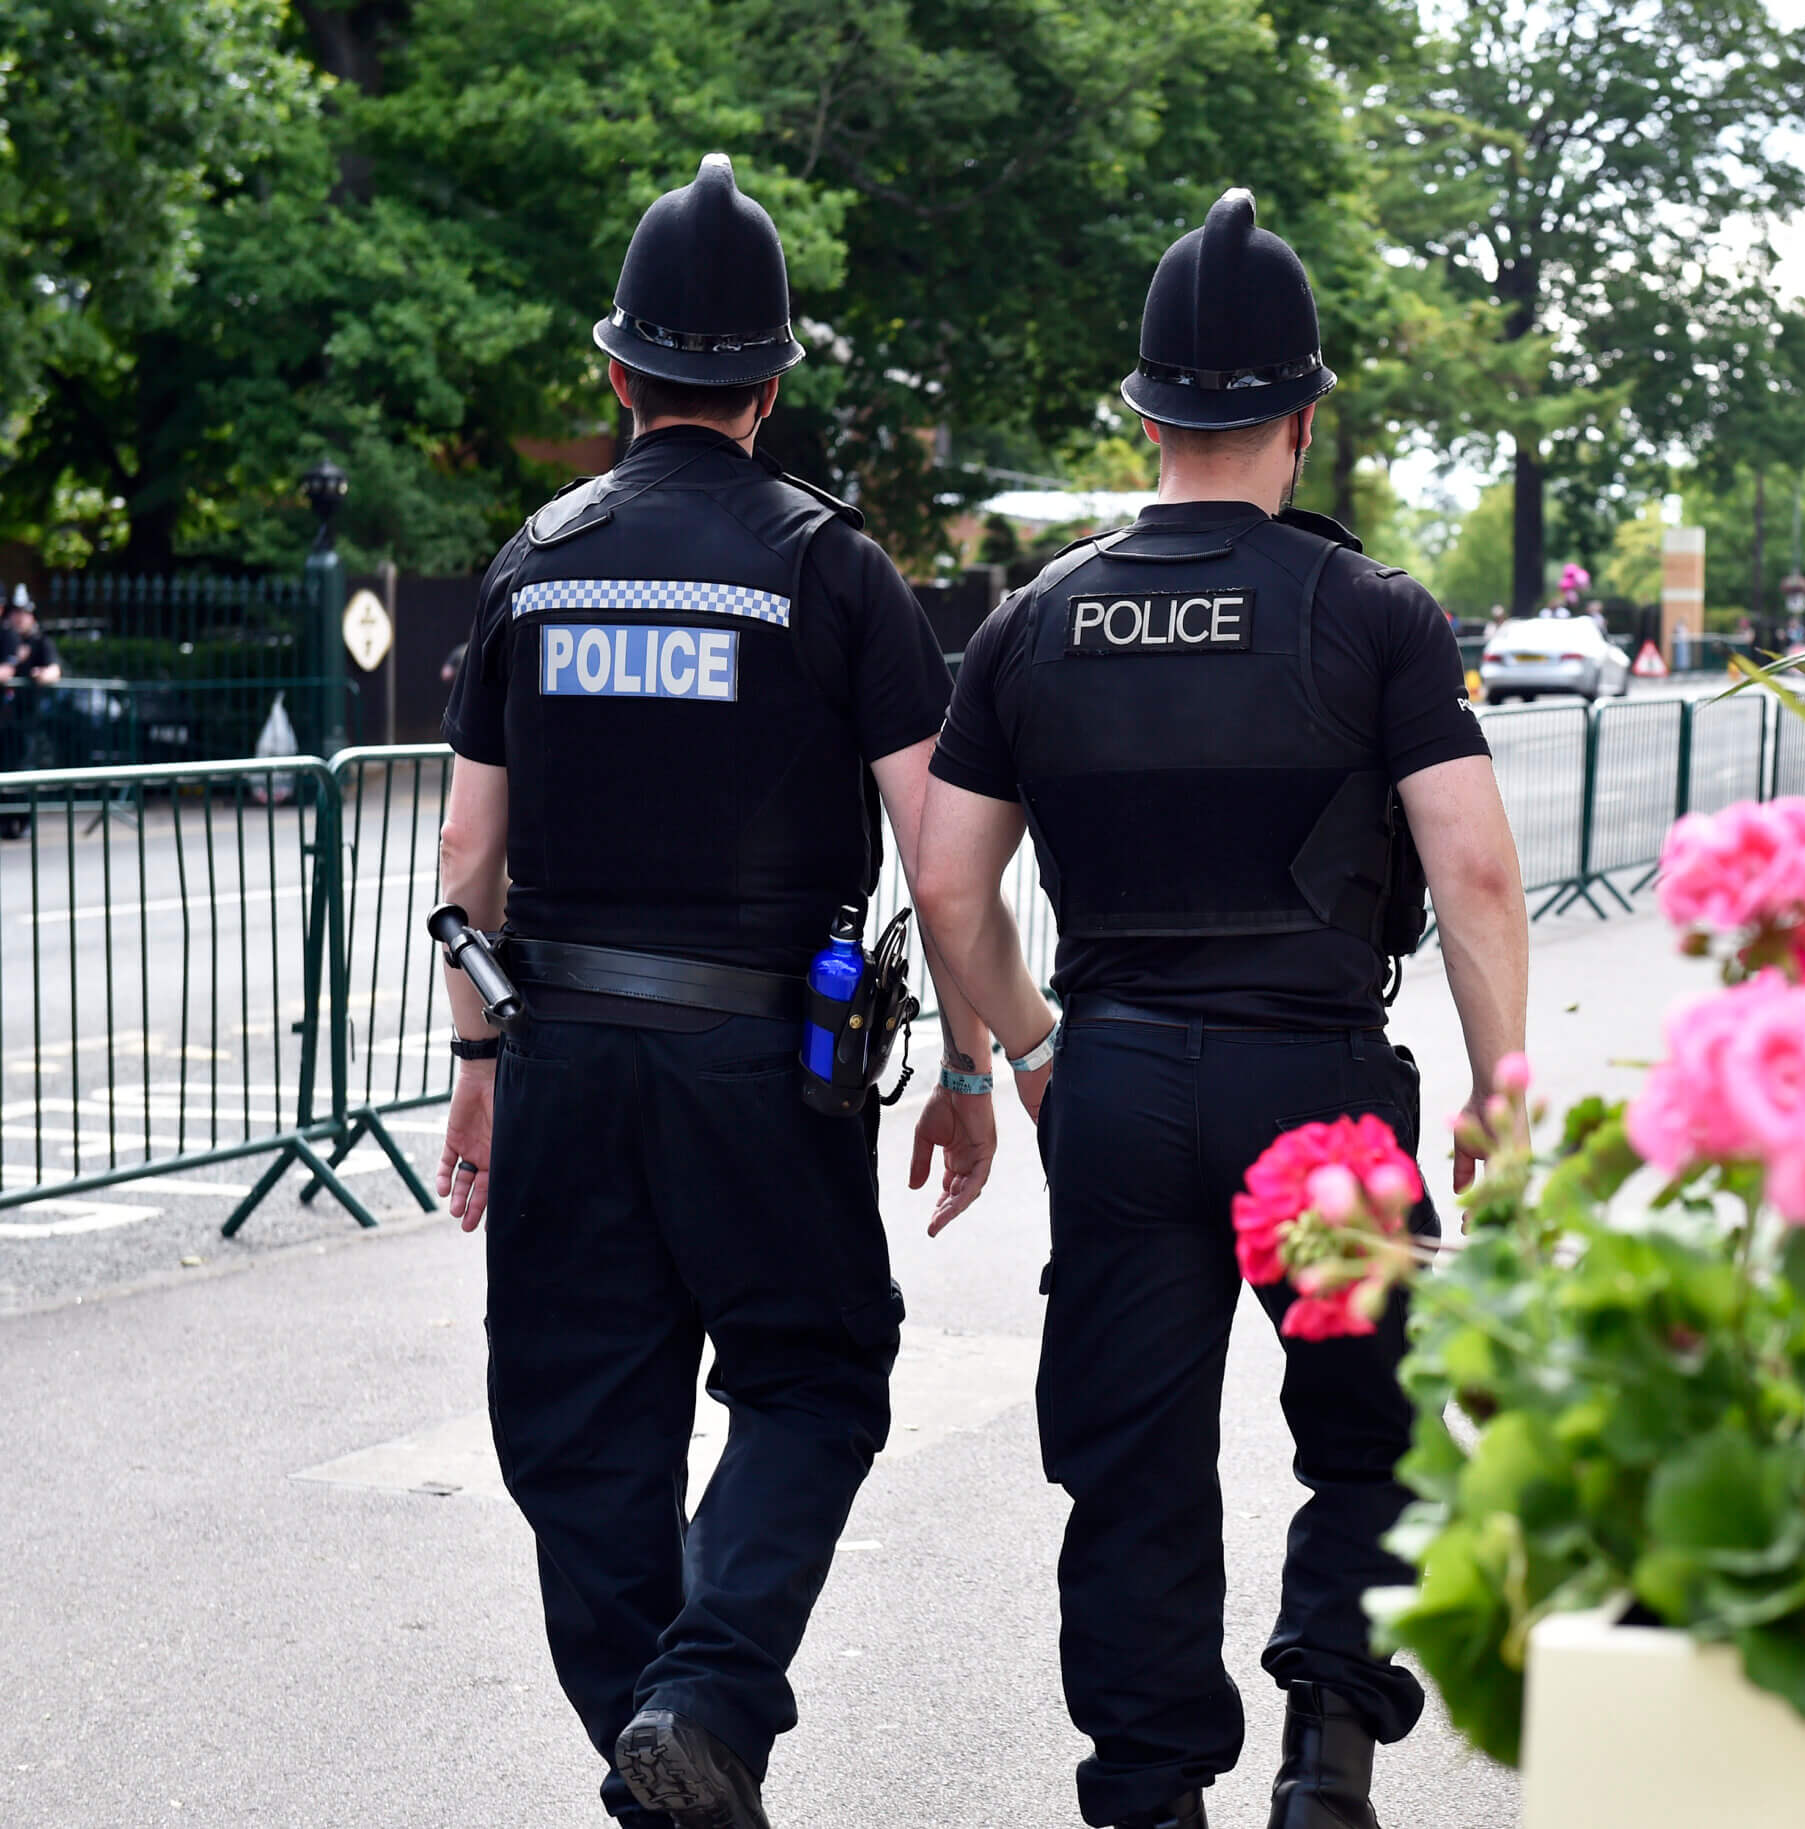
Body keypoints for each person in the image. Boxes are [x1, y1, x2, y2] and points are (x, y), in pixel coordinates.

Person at [434, 153, 1048, 1829]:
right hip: (761, 1061)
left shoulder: (532, 564)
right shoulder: (835, 571)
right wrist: (978, 1065)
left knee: (581, 1420)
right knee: (812, 1374)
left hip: (557, 1044)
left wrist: (481, 1059)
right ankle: (697, 1711)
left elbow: (467, 843)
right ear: (768, 384)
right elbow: (941, 858)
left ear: (618, 373)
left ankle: (668, 1743)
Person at [914, 189, 1530, 1829]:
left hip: (1113, 1082)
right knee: (1366, 1422)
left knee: (1127, 1457)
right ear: (1302, 422)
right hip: (1316, 1094)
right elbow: (1470, 871)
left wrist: (1029, 1046)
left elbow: (949, 883)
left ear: (1148, 414)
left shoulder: (1033, 618)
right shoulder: (1378, 614)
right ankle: (1327, 1738)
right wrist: (1500, 1086)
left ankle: (1143, 1793)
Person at [0, 586, 62, 684]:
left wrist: (42, 675)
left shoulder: (41, 641)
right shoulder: (5, 637)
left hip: (33, 697)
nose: (20, 617)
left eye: (25, 612)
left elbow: (54, 671)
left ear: (33, 616)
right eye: (16, 612)